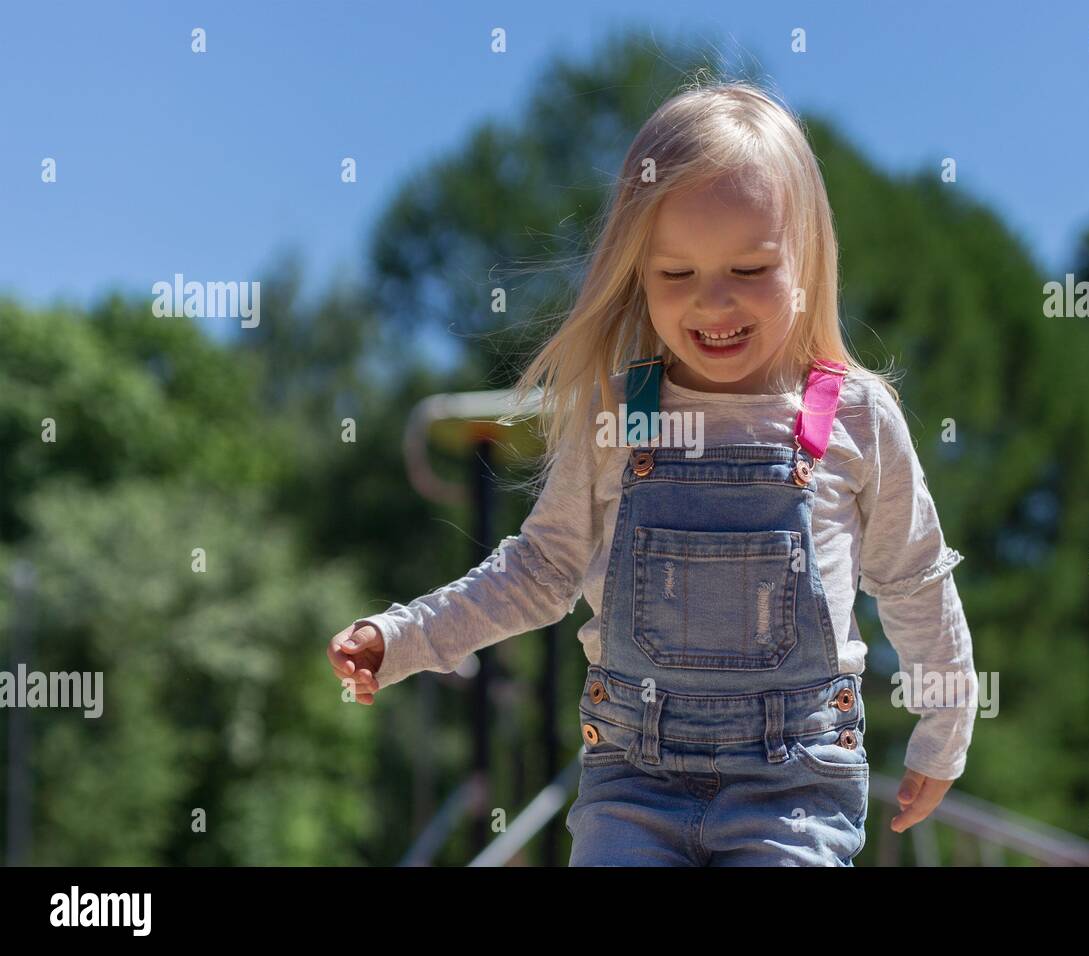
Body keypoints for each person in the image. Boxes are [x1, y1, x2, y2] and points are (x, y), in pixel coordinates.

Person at [326, 79, 977, 866]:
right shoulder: (622, 412)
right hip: (633, 781)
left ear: (806, 257)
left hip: (792, 786)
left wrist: (944, 729)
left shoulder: (852, 415)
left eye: (749, 267)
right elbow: (541, 569)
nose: (713, 302)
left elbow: (913, 580)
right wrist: (402, 639)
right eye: (676, 274)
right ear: (637, 272)